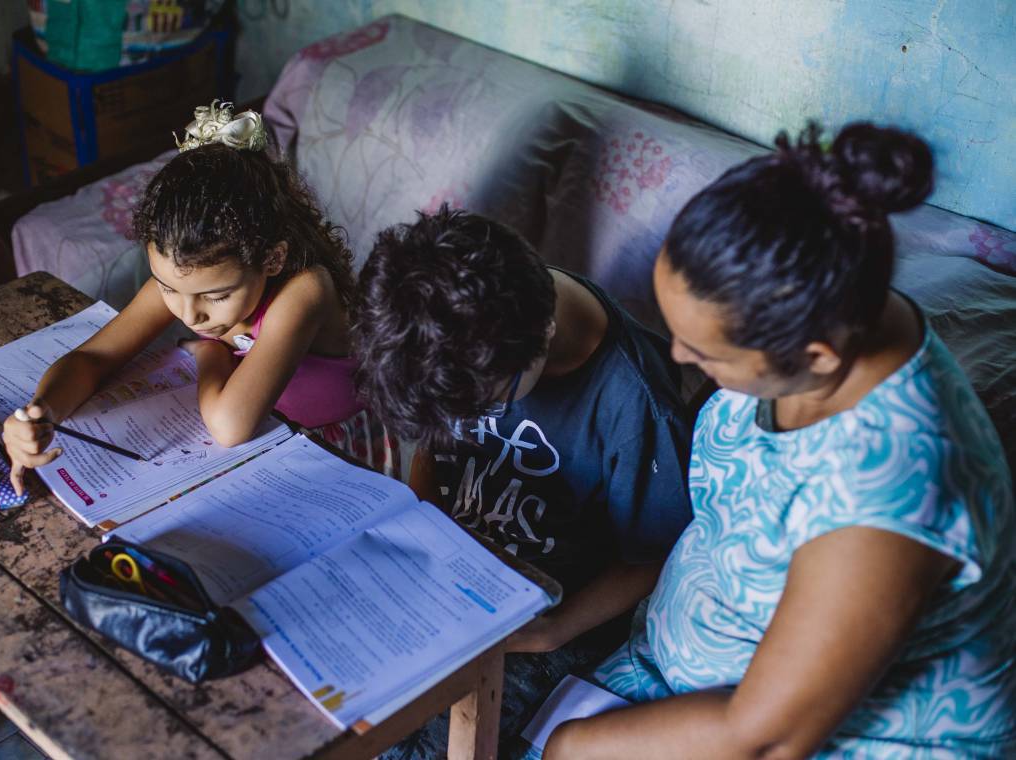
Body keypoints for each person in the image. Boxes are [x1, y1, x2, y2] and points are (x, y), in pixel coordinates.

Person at [542, 123, 1016, 759]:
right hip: (681, 669)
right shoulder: (824, 304)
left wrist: (572, 746)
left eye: (705, 351)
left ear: (817, 356)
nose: (678, 355)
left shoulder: (890, 497)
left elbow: (765, 737)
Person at [353, 205, 694, 757]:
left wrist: (555, 630)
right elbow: (433, 446)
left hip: (550, 611)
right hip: (444, 568)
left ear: (544, 335)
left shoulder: (635, 405)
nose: (468, 416)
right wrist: (420, 519)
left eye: (482, 404)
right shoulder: (457, 336)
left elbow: (654, 554)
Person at [3, 102, 397, 491]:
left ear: (273, 259)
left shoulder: (306, 289)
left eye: (218, 296)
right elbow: (93, 358)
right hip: (267, 438)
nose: (191, 316)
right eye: (168, 288)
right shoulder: (186, 283)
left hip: (330, 452)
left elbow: (230, 426)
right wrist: (42, 413)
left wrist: (210, 355)